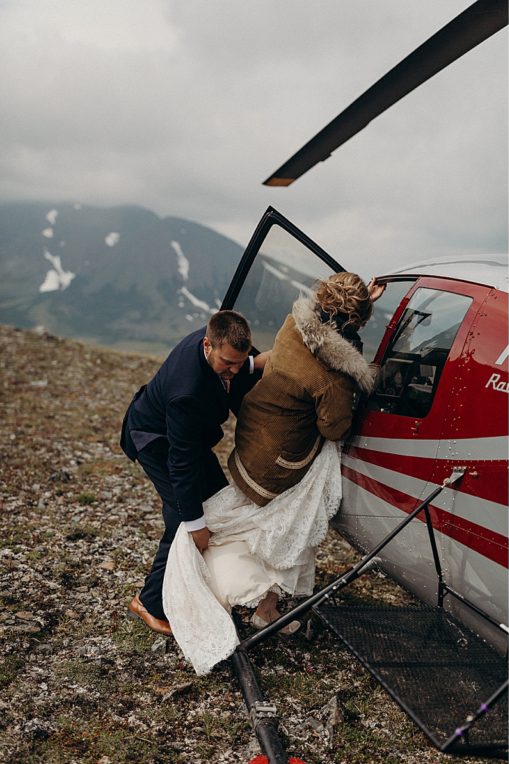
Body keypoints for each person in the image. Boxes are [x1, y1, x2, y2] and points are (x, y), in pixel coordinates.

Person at [161, 273, 380, 674]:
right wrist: (354, 373)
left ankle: (267, 606)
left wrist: (360, 301)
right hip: (279, 464)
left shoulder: (293, 322)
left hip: (252, 443)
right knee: (295, 523)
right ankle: (257, 600)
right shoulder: (331, 376)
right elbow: (334, 428)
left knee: (270, 523)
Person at [120, 310, 268, 636]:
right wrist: (196, 524)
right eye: (227, 363)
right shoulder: (186, 390)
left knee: (219, 500)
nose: (233, 371)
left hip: (189, 438)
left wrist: (253, 365)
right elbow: (181, 463)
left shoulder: (225, 340)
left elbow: (240, 366)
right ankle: (147, 603)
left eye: (239, 362)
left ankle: (203, 583)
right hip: (156, 442)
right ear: (207, 345)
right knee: (182, 521)